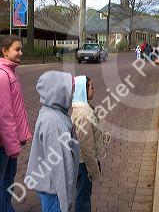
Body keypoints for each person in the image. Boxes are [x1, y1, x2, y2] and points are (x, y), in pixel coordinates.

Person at [0, 35, 32, 212]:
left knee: (5, 182)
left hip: (7, 143)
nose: (21, 52)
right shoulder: (1, 76)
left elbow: (16, 111)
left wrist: (20, 137)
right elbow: (3, 116)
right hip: (0, 144)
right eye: (17, 49)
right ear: (5, 51)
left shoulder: (9, 73)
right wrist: (13, 146)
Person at [26, 71, 80, 212]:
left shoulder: (54, 113)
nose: (73, 93)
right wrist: (65, 201)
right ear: (58, 91)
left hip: (52, 188)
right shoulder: (54, 122)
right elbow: (60, 167)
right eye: (70, 89)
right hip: (55, 191)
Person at [71, 76, 110, 212]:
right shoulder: (83, 114)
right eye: (91, 87)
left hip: (84, 162)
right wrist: (93, 168)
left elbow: (89, 136)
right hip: (84, 164)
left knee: (85, 195)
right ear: (83, 90)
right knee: (83, 198)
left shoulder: (86, 109)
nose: (94, 90)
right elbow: (86, 146)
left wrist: (102, 136)